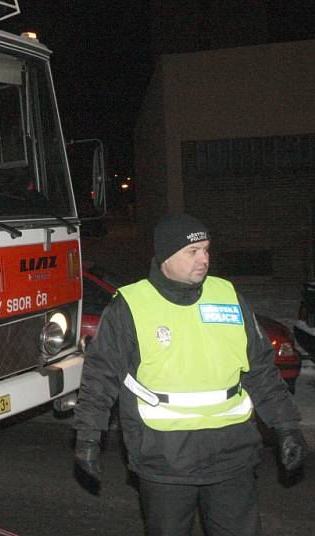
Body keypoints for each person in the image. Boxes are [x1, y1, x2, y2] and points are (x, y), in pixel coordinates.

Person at [73, 213, 308, 536]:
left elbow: (261, 370)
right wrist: (88, 436)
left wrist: (286, 427)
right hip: (164, 459)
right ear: (166, 256)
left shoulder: (228, 296)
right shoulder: (131, 305)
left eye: (207, 250)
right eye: (193, 252)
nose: (204, 259)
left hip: (232, 455)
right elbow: (100, 376)